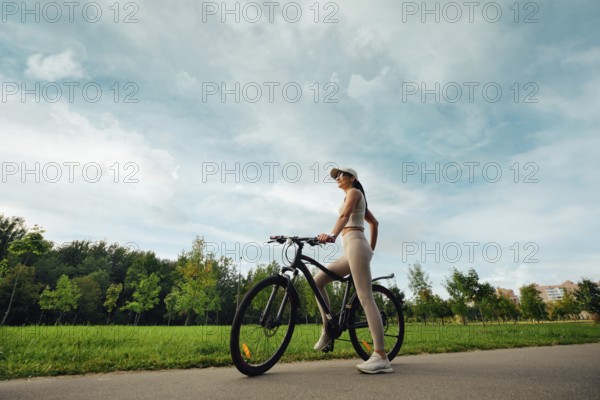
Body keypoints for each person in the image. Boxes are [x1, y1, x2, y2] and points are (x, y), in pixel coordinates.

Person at [314, 167, 393, 374]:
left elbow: (345, 215)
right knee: (318, 281)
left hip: (356, 244)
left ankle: (381, 356)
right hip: (351, 248)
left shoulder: (354, 193)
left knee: (365, 296)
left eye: (341, 174)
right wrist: (371, 250)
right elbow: (374, 223)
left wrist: (331, 235)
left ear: (353, 178)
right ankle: (328, 329)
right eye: (336, 176)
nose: (338, 178)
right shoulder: (353, 197)